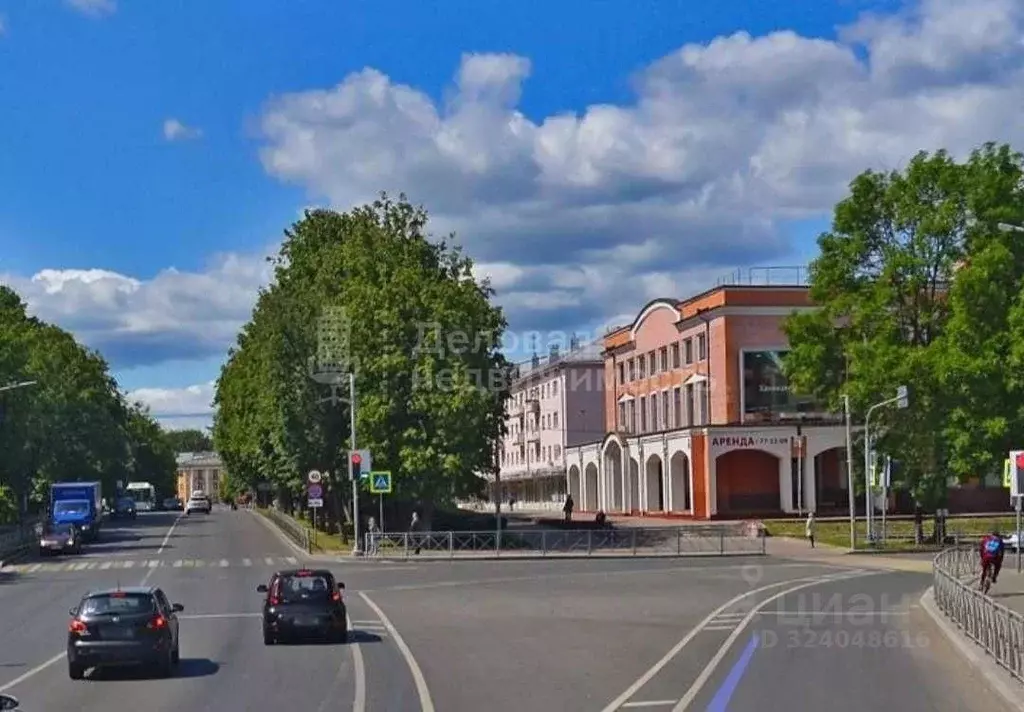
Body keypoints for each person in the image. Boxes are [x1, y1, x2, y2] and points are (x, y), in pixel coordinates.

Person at [980, 529, 1006, 594]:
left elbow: (981, 549)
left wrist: (982, 558)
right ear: (998, 535)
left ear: (991, 534)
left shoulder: (986, 539)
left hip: (986, 558)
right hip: (994, 559)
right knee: (998, 566)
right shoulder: (1000, 541)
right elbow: (1002, 553)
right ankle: (994, 577)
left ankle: (981, 582)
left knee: (984, 570)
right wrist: (1000, 561)